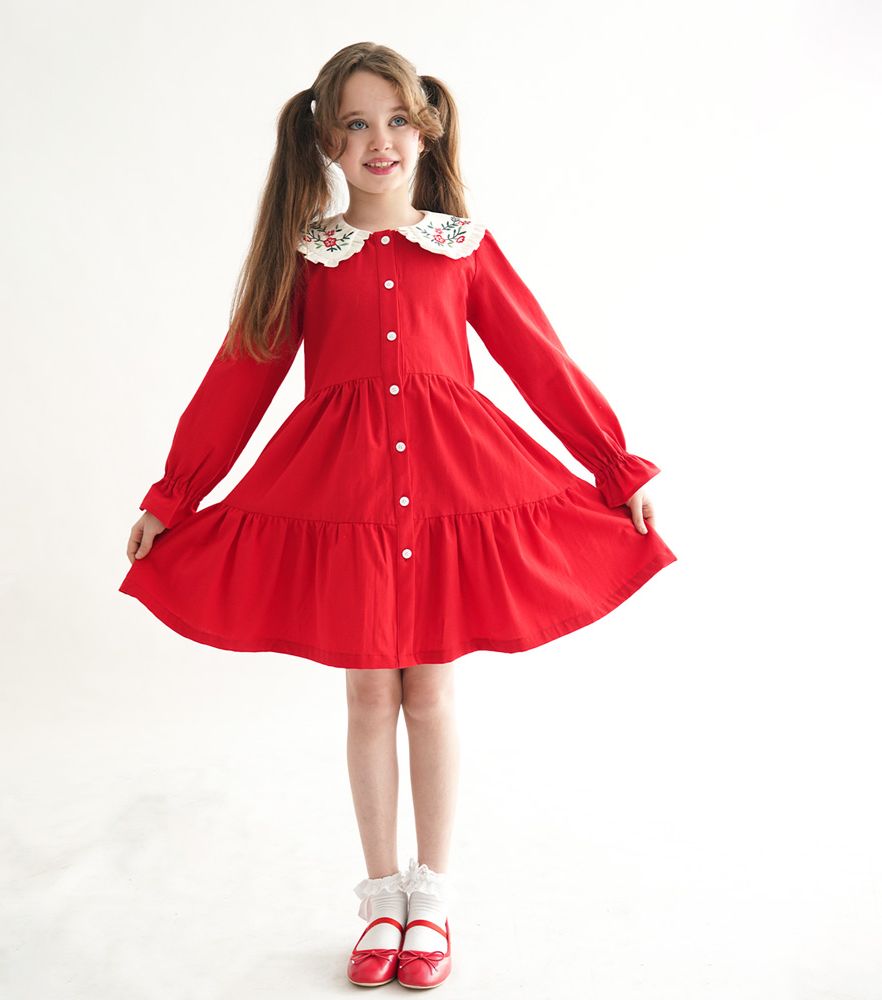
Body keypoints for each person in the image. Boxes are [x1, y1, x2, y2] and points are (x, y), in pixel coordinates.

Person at [120, 41, 676, 990]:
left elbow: (540, 360)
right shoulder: (308, 258)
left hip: (452, 493)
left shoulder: (462, 246)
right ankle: (383, 898)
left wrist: (614, 465)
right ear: (326, 144)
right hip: (347, 506)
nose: (380, 141)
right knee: (370, 696)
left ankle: (435, 900)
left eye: (396, 120)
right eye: (356, 124)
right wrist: (175, 494)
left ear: (425, 129)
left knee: (431, 694)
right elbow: (239, 380)